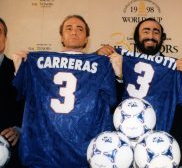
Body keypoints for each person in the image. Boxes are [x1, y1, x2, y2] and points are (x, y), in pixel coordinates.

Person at [12, 15, 116, 168]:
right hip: (45, 149)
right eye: (69, 28)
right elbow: (20, 94)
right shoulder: (36, 63)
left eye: (80, 29)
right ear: (61, 36)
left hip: (81, 147)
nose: (74, 32)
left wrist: (116, 73)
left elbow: (112, 102)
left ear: (87, 39)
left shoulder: (101, 65)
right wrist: (18, 68)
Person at [98, 18, 182, 165]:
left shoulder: (175, 67)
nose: (151, 35)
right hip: (127, 143)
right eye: (146, 31)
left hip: (163, 144)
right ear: (137, 37)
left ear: (162, 38)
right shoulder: (120, 61)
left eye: (156, 32)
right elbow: (110, 102)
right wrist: (101, 57)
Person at [0, 17, 24, 168]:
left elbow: (29, 108)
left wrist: (19, 129)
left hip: (8, 153)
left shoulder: (18, 70)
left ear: (5, 38)